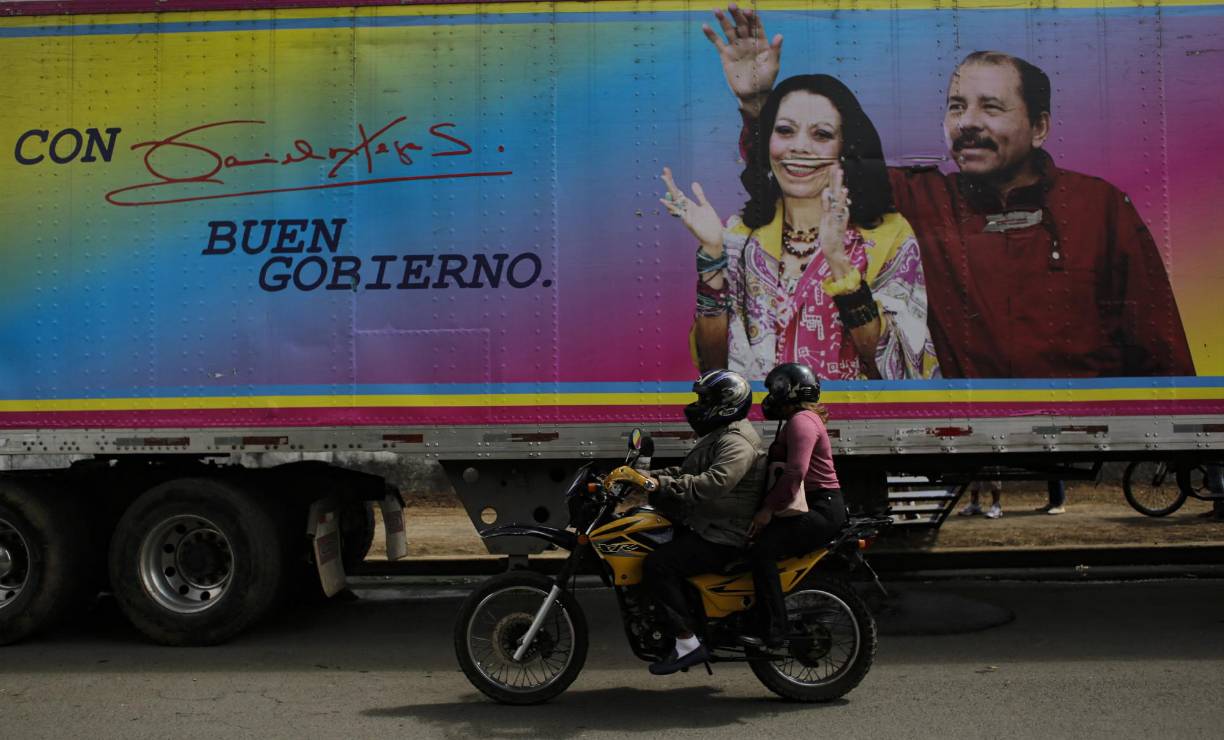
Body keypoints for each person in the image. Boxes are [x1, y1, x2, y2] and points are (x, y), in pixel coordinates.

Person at [703, 6, 1195, 378]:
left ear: (1040, 127)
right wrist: (756, 104)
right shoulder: (921, 200)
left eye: (991, 108)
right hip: (962, 423)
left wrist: (1193, 435)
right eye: (957, 106)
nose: (969, 124)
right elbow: (806, 170)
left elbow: (1156, 329)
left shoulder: (1097, 206)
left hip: (1080, 422)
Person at [660, 74, 939, 381]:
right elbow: (715, 367)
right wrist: (713, 254)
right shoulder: (740, 237)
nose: (799, 148)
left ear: (846, 147)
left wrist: (838, 263)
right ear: (768, 142)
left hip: (851, 423)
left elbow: (899, 367)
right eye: (785, 131)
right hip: (763, 423)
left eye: (821, 135)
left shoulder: (889, 235)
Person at [635, 369, 765, 675]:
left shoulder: (737, 441)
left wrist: (660, 486)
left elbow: (714, 483)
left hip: (723, 535)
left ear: (726, 403)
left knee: (658, 565)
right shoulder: (723, 433)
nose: (698, 406)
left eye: (705, 400)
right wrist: (652, 478)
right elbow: (691, 473)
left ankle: (687, 642)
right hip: (709, 524)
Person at [741, 362, 847, 648]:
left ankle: (775, 631)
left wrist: (767, 511)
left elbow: (795, 473)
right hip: (815, 504)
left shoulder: (801, 421)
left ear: (786, 391)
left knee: (763, 551)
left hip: (821, 508)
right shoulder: (802, 420)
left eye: (774, 391)